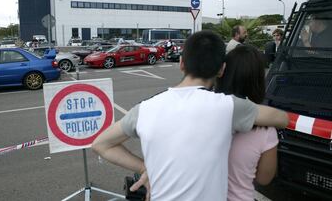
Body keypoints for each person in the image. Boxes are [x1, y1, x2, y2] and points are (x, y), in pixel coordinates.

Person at [91, 31, 288, 201]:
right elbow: (281, 118)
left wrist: (144, 168)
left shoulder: (144, 109)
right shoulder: (228, 107)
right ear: (221, 70)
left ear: (182, 63)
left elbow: (101, 144)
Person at [215, 46, 278, 201]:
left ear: (223, 73)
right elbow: (264, 178)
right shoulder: (265, 128)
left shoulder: (205, 112)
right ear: (258, 79)